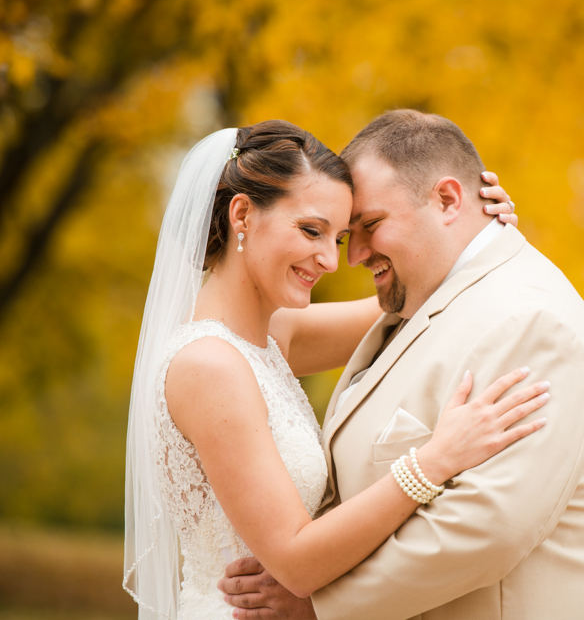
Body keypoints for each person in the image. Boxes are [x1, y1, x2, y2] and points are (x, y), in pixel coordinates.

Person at [220, 110, 584, 619]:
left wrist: (319, 606)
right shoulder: (428, 302)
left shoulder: (533, 323)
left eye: (370, 225)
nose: (349, 257)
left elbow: (487, 527)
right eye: (341, 234)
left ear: (447, 199)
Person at [122, 119, 545, 620]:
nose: (329, 260)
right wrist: (433, 462)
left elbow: (415, 297)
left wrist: (468, 232)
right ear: (242, 214)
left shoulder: (270, 336)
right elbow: (297, 563)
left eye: (340, 239)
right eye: (310, 230)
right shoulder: (210, 366)